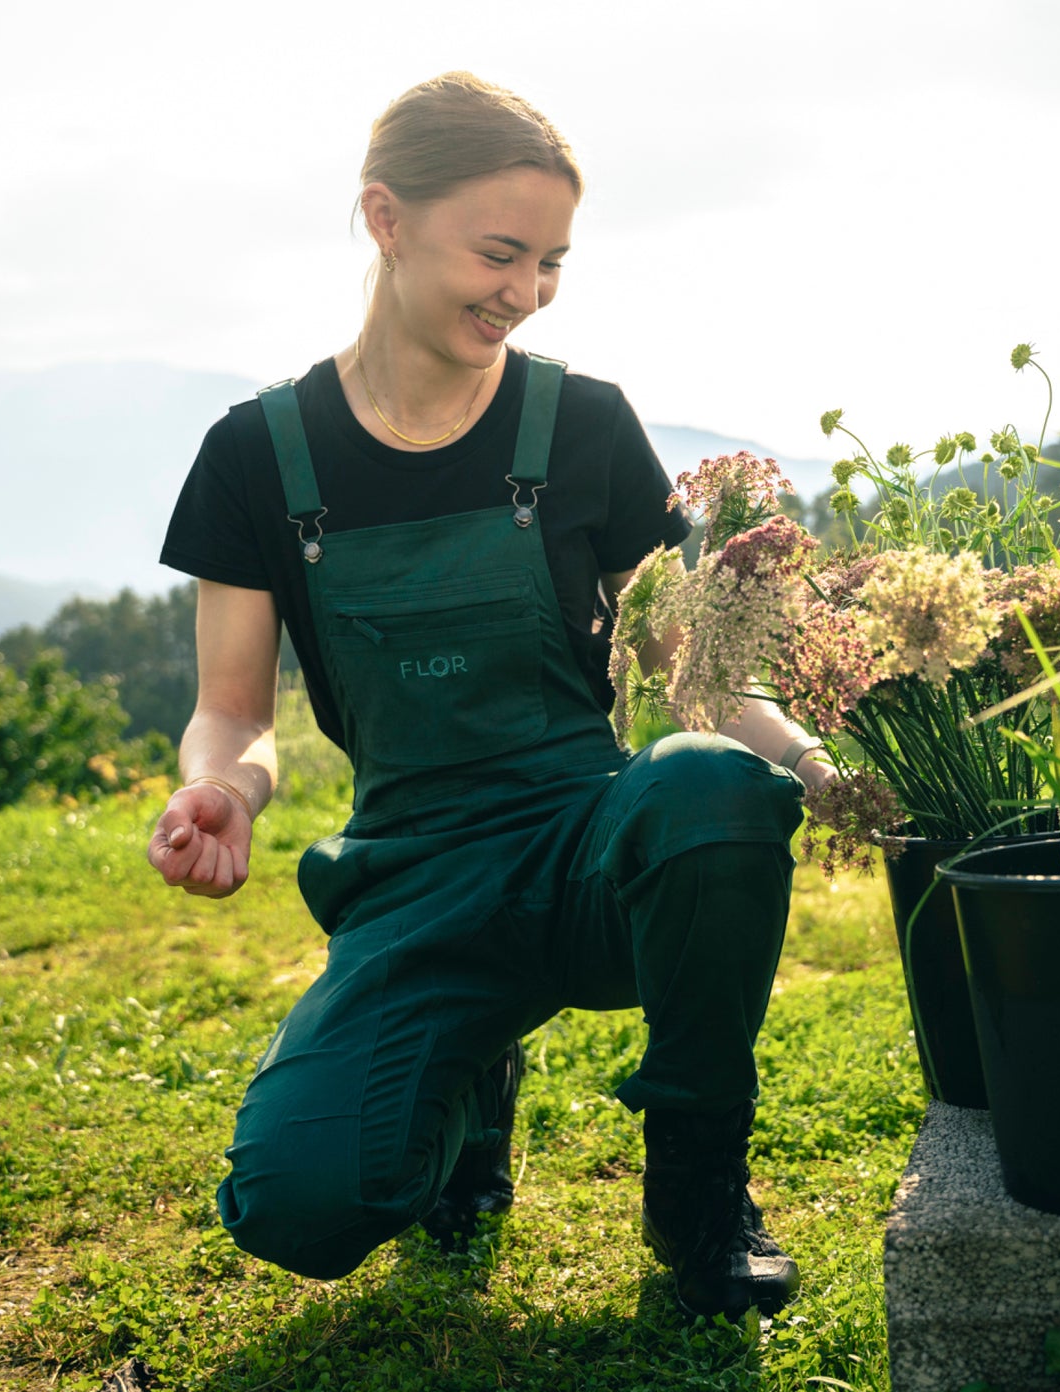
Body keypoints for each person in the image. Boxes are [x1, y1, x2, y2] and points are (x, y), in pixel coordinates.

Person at [146, 71, 836, 1321]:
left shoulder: (580, 425)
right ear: (385, 219)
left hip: (588, 849)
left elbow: (685, 667)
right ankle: (466, 1084)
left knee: (708, 784)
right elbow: (236, 708)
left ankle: (696, 1191)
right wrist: (220, 783)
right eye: (499, 253)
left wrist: (811, 762)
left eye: (551, 262)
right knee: (297, 1203)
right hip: (416, 878)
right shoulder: (257, 454)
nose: (522, 294)